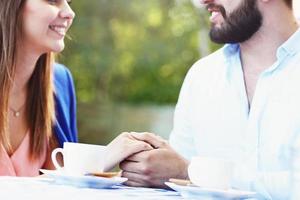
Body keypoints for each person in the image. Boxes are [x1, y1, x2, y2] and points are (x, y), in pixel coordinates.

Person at [110, 0, 300, 198]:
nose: (202, 1)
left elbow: (185, 173)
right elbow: (177, 183)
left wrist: (192, 174)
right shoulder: (202, 76)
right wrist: (145, 170)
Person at [0, 0, 151, 177]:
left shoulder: (60, 83)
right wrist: (100, 160)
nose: (69, 12)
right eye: (52, 1)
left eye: (68, 1)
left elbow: (66, 188)